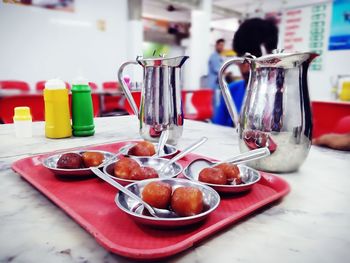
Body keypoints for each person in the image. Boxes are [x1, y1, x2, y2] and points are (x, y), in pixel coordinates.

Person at [212, 18, 278, 127]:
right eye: (242, 59)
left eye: (254, 58)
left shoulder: (282, 96)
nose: (247, 67)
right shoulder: (231, 90)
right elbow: (217, 130)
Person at [208, 39, 225, 106]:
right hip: (213, 84)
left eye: (223, 45)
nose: (222, 47)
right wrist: (226, 73)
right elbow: (217, 70)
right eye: (220, 45)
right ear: (216, 45)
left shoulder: (219, 57)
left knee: (216, 103)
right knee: (214, 104)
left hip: (217, 84)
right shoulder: (214, 56)